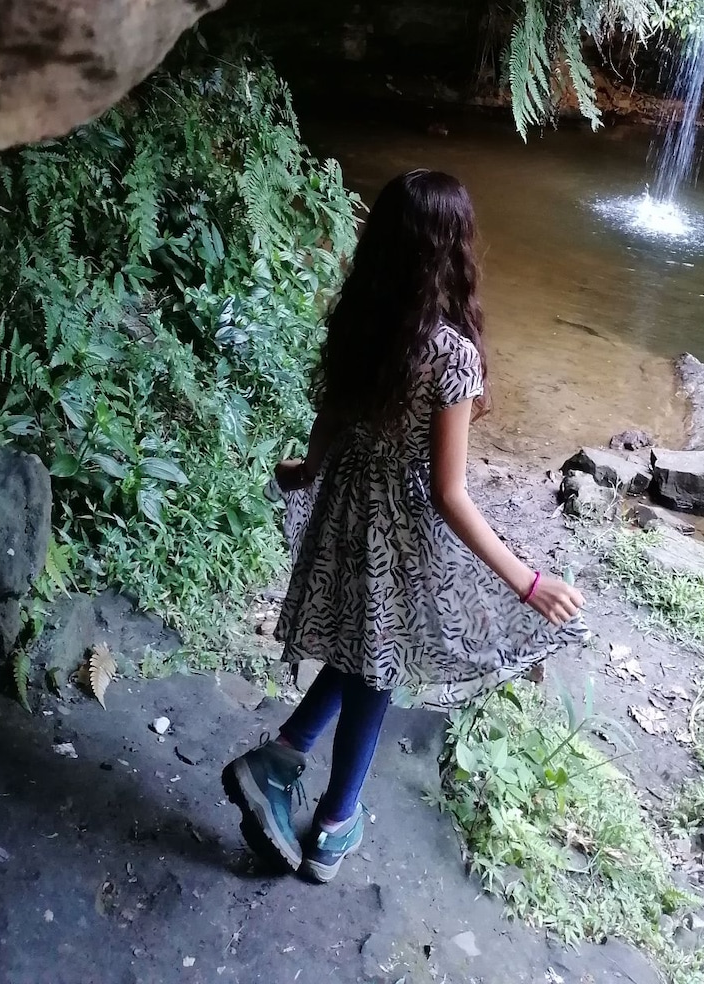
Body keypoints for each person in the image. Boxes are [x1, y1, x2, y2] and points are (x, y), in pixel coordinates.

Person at [222, 168, 586, 882]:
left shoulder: (361, 319)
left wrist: (311, 465)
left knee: (365, 646)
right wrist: (526, 579)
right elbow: (450, 494)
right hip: (398, 529)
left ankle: (284, 762)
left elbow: (334, 408)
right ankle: (332, 819)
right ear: (452, 249)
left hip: (344, 506)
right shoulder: (451, 356)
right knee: (377, 659)